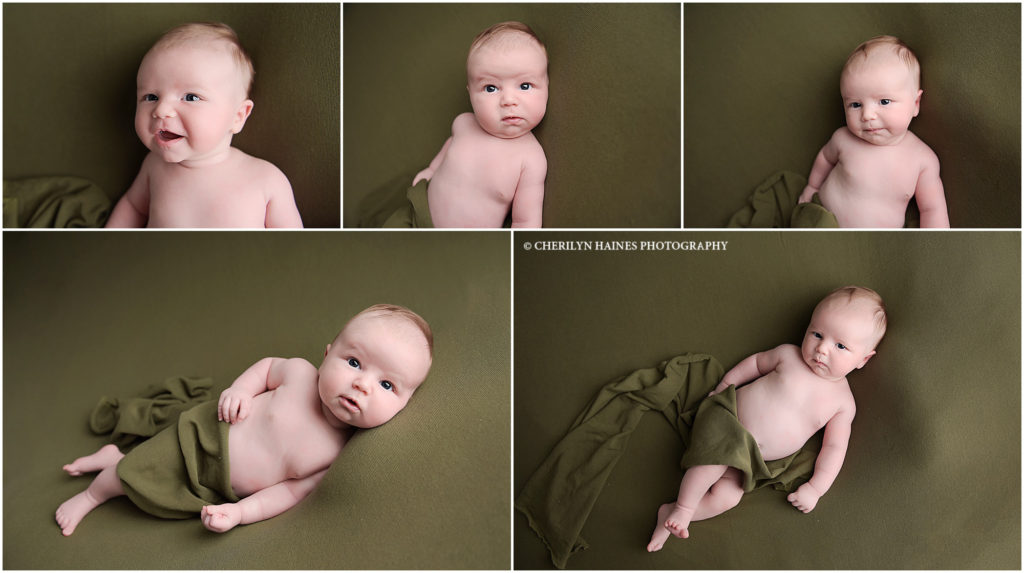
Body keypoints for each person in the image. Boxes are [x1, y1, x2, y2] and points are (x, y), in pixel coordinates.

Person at [55, 304, 432, 536]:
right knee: (134, 475)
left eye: (386, 384)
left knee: (156, 489)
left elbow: (286, 493)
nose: (362, 385)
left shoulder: (335, 455)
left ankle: (112, 456)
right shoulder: (300, 374)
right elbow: (267, 368)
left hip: (215, 486)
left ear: (404, 405)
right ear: (327, 354)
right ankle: (92, 495)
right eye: (353, 362)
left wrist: (239, 513)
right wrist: (239, 390)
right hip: (204, 436)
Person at [648, 286, 886, 551]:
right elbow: (756, 364)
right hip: (728, 424)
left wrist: (816, 488)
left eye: (840, 346)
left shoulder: (843, 403)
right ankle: (683, 507)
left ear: (863, 360)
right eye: (817, 334)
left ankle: (671, 514)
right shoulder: (789, 355)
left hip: (750, 463)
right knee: (714, 463)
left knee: (728, 498)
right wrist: (724, 385)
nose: (821, 349)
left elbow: (834, 448)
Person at [106, 22, 303, 228]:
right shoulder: (154, 166)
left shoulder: (266, 180)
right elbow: (133, 206)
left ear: (237, 116)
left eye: (191, 97)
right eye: (151, 96)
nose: (161, 110)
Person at [798, 36, 949, 228]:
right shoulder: (843, 138)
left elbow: (932, 209)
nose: (867, 115)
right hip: (819, 218)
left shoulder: (923, 160)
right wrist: (812, 187)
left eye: (884, 101)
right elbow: (825, 159)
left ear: (915, 104)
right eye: (855, 104)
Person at [411, 21, 548, 228]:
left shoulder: (530, 160)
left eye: (525, 85)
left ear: (546, 86)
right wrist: (430, 170)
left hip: (466, 245)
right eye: (491, 88)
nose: (508, 100)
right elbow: (451, 146)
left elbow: (525, 221)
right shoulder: (464, 123)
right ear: (471, 93)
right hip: (417, 211)